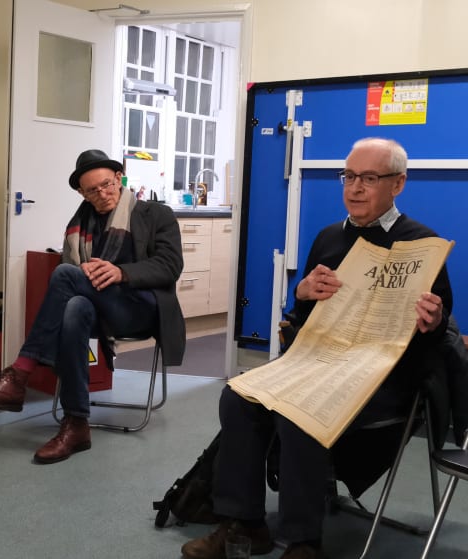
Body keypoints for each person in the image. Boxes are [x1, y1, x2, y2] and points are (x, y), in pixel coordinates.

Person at [180, 138, 453, 559]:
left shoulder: (421, 244)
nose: (354, 187)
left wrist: (432, 322)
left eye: (369, 178)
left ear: (397, 184)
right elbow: (304, 322)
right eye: (348, 176)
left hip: (382, 376)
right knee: (237, 397)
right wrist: (303, 294)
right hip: (318, 361)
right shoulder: (329, 237)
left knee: (298, 410)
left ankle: (303, 540)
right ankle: (245, 523)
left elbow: (435, 333)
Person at [0, 149, 185, 464]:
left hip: (140, 309)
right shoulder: (80, 224)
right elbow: (69, 287)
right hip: (96, 310)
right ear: (82, 192)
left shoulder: (156, 214)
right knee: (75, 307)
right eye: (92, 190)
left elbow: (170, 266)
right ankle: (76, 423)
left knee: (65, 274)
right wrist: (88, 274)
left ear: (119, 178)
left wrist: (122, 272)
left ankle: (19, 375)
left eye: (107, 184)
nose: (103, 194)